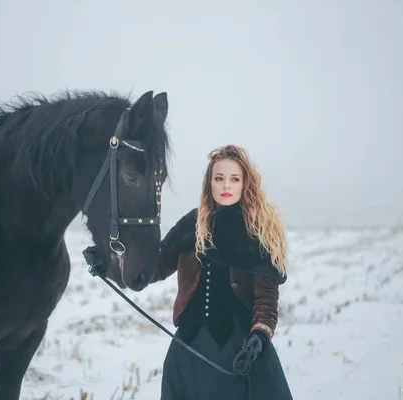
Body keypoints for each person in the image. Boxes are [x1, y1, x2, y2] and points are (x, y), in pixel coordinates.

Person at [84, 144, 293, 399]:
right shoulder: (193, 224)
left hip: (239, 348)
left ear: (244, 184)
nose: (226, 185)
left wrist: (258, 339)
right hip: (190, 345)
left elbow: (266, 301)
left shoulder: (258, 233)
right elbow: (154, 267)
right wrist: (108, 263)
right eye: (219, 178)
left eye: (234, 179)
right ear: (210, 184)